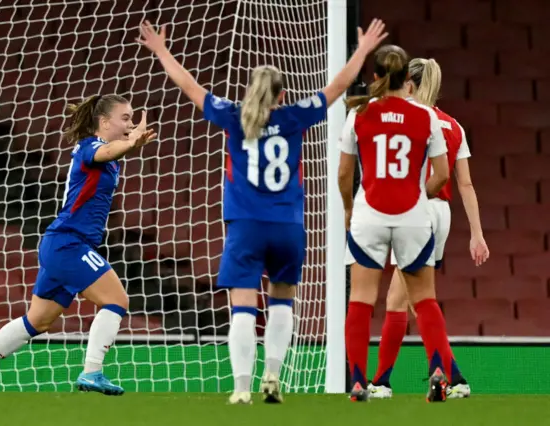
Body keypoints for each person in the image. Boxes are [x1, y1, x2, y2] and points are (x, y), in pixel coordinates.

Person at [138, 19, 388, 404]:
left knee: (242, 306)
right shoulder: (293, 117)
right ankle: (273, 374)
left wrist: (161, 51)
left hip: (246, 227)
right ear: (281, 94)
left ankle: (242, 388)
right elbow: (337, 87)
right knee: (282, 301)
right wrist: (362, 50)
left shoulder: (232, 116)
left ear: (250, 91)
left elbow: (189, 86)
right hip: (287, 226)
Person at [0, 95, 156, 396]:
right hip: (69, 244)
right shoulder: (91, 148)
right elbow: (107, 151)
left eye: (131, 118)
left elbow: (112, 153)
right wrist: (131, 144)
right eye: (125, 118)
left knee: (39, 320)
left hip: (61, 244)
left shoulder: (106, 155)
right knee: (117, 301)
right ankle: (92, 372)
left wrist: (128, 145)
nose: (130, 124)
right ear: (104, 122)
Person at [367, 58, 490, 400]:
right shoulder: (453, 126)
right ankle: (389, 380)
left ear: (410, 84)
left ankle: (442, 375)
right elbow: (465, 185)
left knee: (418, 299)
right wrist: (477, 234)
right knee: (400, 298)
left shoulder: (409, 122)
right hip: (442, 215)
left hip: (415, 210)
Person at [339, 45, 455, 402]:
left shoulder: (359, 113)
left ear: (375, 77)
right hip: (412, 217)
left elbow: (344, 173)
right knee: (424, 300)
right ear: (408, 79)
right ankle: (438, 372)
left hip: (370, 214)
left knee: (360, 299)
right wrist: (419, 196)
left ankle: (359, 381)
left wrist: (347, 210)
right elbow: (442, 174)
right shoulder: (427, 117)